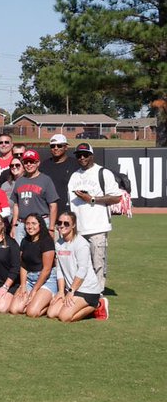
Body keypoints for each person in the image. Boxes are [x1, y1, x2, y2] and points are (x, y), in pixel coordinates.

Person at [66, 142, 121, 291]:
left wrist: (91, 199)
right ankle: (84, 291)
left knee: (98, 263)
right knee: (81, 263)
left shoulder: (103, 173)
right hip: (79, 228)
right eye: (79, 155)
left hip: (97, 226)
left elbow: (116, 197)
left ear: (92, 155)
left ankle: (98, 295)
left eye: (85, 154)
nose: (82, 158)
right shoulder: (74, 176)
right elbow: (72, 204)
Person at [47, 210, 107, 322]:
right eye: (59, 223)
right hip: (70, 289)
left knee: (64, 317)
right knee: (51, 313)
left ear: (73, 225)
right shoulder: (58, 243)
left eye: (66, 223)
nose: (62, 226)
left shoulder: (81, 244)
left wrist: (71, 291)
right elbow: (60, 269)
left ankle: (97, 305)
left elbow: (82, 270)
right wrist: (61, 291)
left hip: (86, 289)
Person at [9, 215, 57, 318]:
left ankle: (48, 303)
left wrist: (34, 290)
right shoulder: (24, 241)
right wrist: (23, 286)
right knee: (15, 309)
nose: (30, 227)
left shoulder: (47, 241)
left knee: (31, 312)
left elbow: (47, 269)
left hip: (46, 279)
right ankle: (39, 301)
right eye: (27, 224)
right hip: (30, 279)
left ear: (40, 225)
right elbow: (23, 265)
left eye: (34, 223)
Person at [10, 150, 59, 243]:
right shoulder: (19, 181)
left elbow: (53, 205)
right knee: (20, 253)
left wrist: (51, 228)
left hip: (41, 223)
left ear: (38, 163)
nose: (29, 164)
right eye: (26, 162)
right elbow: (16, 205)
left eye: (32, 161)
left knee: (41, 252)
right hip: (21, 223)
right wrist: (14, 225)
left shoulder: (46, 180)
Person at [41, 134, 78, 203]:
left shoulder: (75, 164)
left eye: (59, 145)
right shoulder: (44, 165)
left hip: (69, 208)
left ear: (66, 147)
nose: (55, 148)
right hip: (49, 207)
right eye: (52, 146)